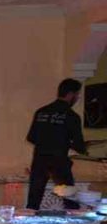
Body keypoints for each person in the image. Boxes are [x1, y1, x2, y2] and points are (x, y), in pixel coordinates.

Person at [26, 78, 88, 210]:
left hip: (39, 161)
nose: (77, 98)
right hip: (59, 162)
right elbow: (79, 145)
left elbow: (31, 137)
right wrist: (82, 148)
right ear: (70, 94)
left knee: (33, 201)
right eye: (77, 94)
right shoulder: (72, 116)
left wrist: (46, 143)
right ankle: (74, 223)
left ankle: (28, 222)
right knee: (70, 200)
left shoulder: (41, 112)